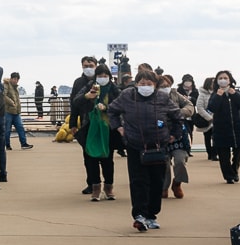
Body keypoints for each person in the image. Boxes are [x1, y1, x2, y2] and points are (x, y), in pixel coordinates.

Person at [108, 67, 181, 232]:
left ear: (155, 85)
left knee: (156, 182)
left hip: (158, 146)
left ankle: (151, 215)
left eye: (149, 83)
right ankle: (139, 215)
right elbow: (112, 111)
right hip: (135, 145)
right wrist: (119, 128)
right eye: (142, 83)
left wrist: (174, 135)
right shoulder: (127, 96)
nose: (145, 86)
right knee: (138, 181)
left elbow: (177, 117)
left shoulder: (162, 97)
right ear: (136, 84)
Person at [70, 64, 119, 201]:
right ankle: (95, 187)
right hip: (90, 127)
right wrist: (87, 96)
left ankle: (108, 187)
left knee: (107, 159)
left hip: (108, 129)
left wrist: (107, 107)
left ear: (109, 76)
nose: (102, 78)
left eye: (105, 76)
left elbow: (121, 105)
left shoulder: (114, 89)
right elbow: (75, 102)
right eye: (100, 76)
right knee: (90, 158)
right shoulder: (89, 87)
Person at [158, 73, 193, 198]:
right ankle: (163, 187)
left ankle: (177, 183)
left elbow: (190, 106)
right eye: (161, 86)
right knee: (164, 164)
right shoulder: (152, 98)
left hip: (178, 134)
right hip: (160, 136)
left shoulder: (175, 94)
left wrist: (179, 113)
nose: (164, 88)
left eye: (166, 86)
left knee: (180, 161)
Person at [69, 56, 99, 193]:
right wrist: (73, 123)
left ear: (96, 66)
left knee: (105, 155)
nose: (88, 68)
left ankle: (107, 183)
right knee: (88, 154)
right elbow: (73, 104)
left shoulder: (101, 80)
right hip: (86, 121)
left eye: (90, 65)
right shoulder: (78, 82)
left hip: (101, 122)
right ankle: (91, 183)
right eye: (85, 66)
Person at [206, 69, 240, 184]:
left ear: (230, 80)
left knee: (237, 153)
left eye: (225, 78)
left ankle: (234, 170)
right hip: (221, 129)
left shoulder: (235, 93)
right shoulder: (215, 95)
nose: (223, 80)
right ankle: (228, 176)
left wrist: (234, 95)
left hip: (237, 128)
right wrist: (218, 96)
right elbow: (211, 109)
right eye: (220, 78)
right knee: (223, 155)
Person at [3, 72, 33, 150]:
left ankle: (24, 144)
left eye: (17, 79)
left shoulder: (15, 87)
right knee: (7, 130)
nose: (16, 81)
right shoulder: (6, 85)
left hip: (16, 112)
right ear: (11, 78)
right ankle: (7, 145)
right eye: (14, 79)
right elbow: (3, 95)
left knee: (20, 127)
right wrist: (11, 102)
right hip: (8, 111)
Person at [195, 77, 216, 161]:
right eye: (212, 83)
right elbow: (199, 108)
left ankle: (214, 154)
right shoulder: (202, 95)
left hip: (217, 120)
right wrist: (209, 118)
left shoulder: (218, 93)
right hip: (206, 120)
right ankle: (209, 153)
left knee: (216, 138)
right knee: (207, 137)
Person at [179, 74, 199, 144]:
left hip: (192, 114)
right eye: (186, 81)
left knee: (191, 130)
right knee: (185, 131)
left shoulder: (195, 91)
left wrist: (190, 98)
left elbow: (197, 102)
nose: (187, 83)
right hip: (182, 114)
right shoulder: (179, 90)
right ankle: (186, 147)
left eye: (189, 81)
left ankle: (189, 147)